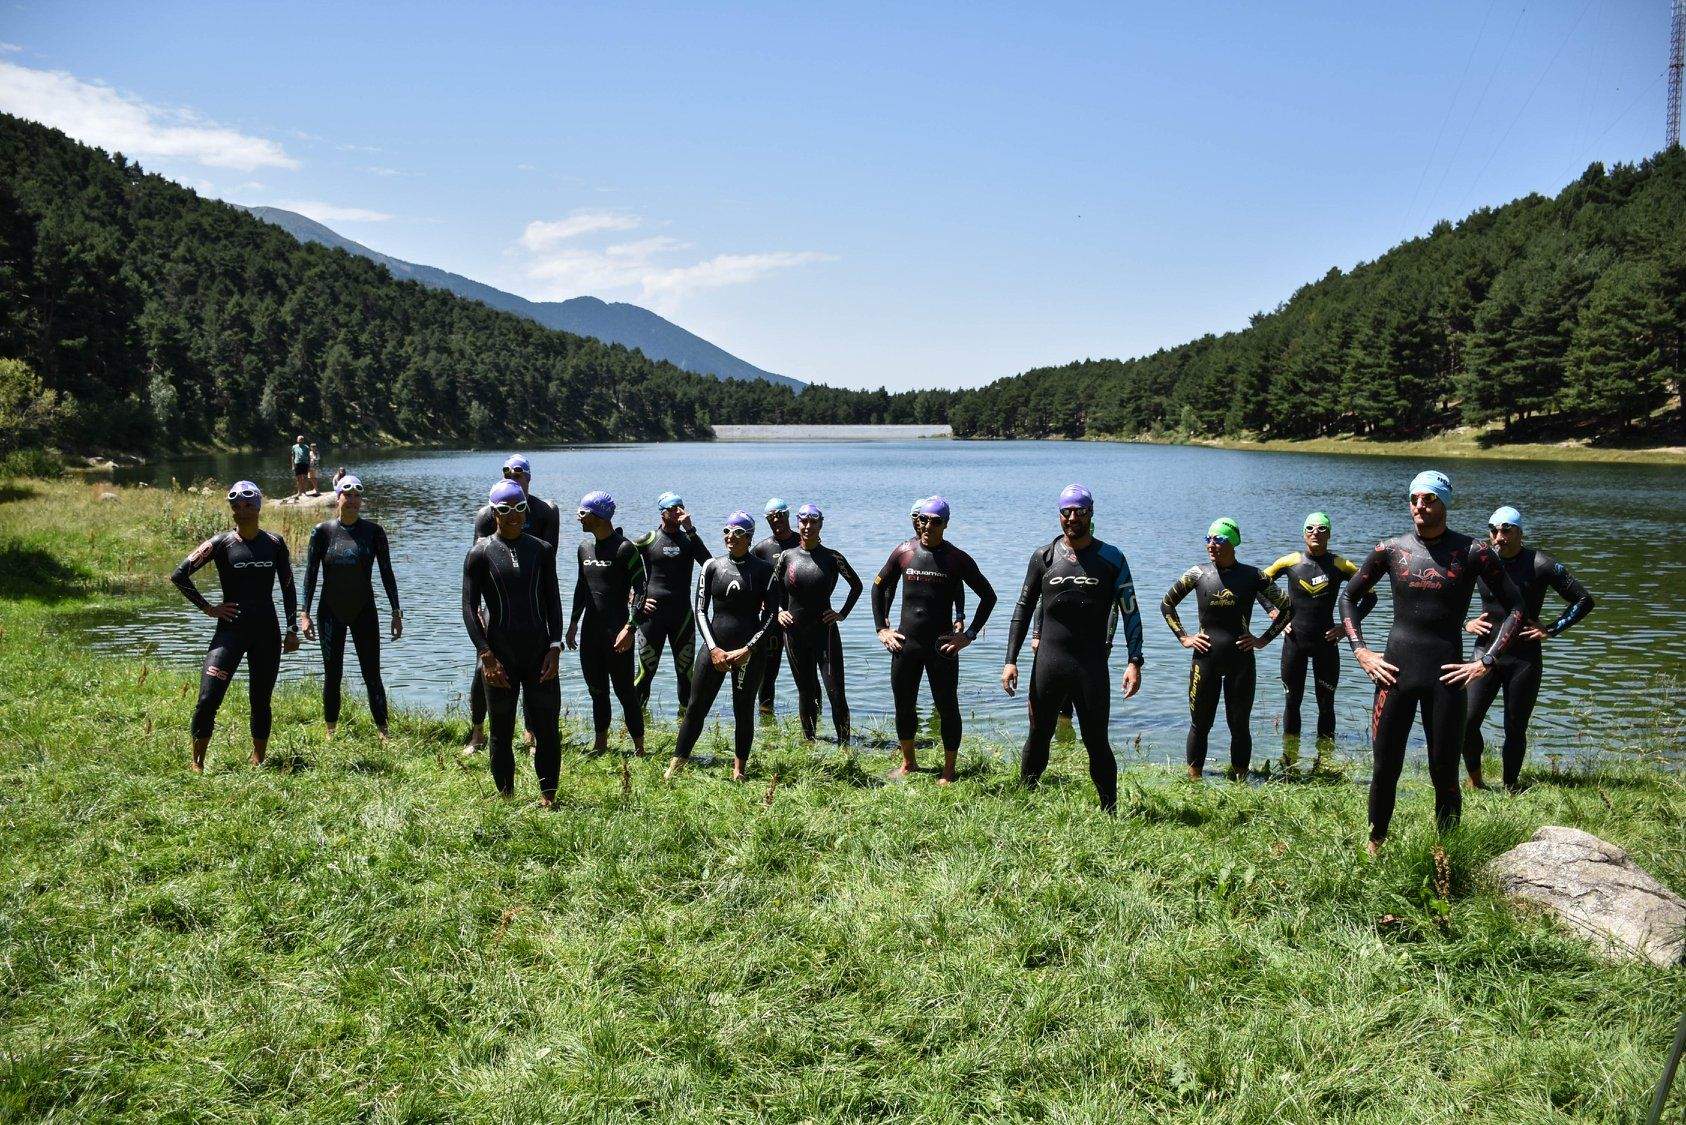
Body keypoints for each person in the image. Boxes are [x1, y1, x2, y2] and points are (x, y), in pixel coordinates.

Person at [1339, 470, 1524, 854]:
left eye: (1429, 499)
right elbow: (1348, 597)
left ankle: (1448, 852)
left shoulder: (1474, 551)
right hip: (1394, 675)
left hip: (1448, 679)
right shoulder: (1390, 549)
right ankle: (1376, 843)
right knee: (1385, 769)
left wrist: (1486, 661)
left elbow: (1517, 607)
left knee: (1445, 772)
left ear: (1444, 503)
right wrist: (1362, 651)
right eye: (1415, 499)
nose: (1420, 506)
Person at [1000, 484, 1144, 812]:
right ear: (1059, 514)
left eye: (1080, 511)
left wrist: (1134, 660)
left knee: (1096, 742)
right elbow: (1022, 609)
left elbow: (1131, 611)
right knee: (1038, 736)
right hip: (1049, 663)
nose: (1072, 517)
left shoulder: (1111, 558)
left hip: (1090, 666)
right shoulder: (1043, 557)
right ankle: (1025, 800)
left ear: (1091, 514)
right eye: (1067, 511)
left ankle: (1110, 809)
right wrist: (1010, 660)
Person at [1461, 506, 1595, 791]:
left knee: (1514, 727)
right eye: (1494, 531)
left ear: (1520, 532)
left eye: (1506, 530)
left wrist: (1551, 628)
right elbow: (1446, 596)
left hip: (1524, 657)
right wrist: (1465, 622)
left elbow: (1583, 600)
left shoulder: (1541, 564)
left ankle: (1511, 788)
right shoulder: (1481, 560)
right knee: (1467, 721)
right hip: (1484, 651)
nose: (1499, 537)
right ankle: (1476, 782)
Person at [171, 481, 300, 771]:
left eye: (247, 506)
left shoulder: (276, 544)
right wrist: (208, 608)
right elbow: (179, 575)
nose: (241, 511)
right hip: (230, 631)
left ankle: (259, 759)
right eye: (236, 507)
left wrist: (292, 629)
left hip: (266, 631)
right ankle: (197, 763)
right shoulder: (220, 543)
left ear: (258, 507)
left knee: (260, 699)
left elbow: (289, 587)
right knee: (207, 698)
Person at [873, 496, 996, 783]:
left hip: (942, 647)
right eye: (924, 519)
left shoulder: (956, 558)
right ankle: (908, 763)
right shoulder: (903, 551)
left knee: (947, 706)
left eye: (935, 521)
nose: (928, 525)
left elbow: (988, 596)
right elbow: (878, 588)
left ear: (946, 524)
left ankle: (949, 770)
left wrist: (968, 635)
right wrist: (882, 628)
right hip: (906, 644)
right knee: (904, 704)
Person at [1161, 518, 1294, 780]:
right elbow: (1167, 604)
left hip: (1241, 661)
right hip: (1204, 658)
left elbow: (1288, 608)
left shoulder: (1253, 575)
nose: (1211, 544)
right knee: (1200, 725)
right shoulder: (1197, 574)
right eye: (1208, 539)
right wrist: (1184, 637)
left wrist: (1263, 639)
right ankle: (1194, 780)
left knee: (1239, 726)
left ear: (1233, 542)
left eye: (1218, 539)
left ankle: (1241, 779)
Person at [461, 480, 564, 804]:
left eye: (519, 508)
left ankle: (548, 797)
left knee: (547, 729)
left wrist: (555, 647)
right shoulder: (479, 553)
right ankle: (505, 799)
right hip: (500, 655)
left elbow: (553, 602)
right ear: (495, 513)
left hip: (538, 653)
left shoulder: (541, 550)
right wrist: (486, 656)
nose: (514, 516)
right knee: (502, 731)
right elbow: (468, 606)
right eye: (505, 510)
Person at [665, 511, 779, 781]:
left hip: (748, 652)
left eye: (738, 532)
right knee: (695, 708)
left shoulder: (764, 571)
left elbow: (772, 615)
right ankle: (676, 764)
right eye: (727, 531)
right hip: (714, 647)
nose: (730, 537)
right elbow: (700, 611)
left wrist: (748, 649)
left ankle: (739, 769)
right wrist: (714, 648)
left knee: (743, 709)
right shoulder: (712, 566)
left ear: (749, 537)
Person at [298, 475, 402, 740]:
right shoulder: (322, 532)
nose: (353, 501)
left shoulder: (374, 532)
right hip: (330, 611)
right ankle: (331, 731)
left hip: (364, 610)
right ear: (337, 497)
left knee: (372, 674)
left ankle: (383, 731)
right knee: (333, 673)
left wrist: (396, 611)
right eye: (348, 495)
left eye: (357, 496)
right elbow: (310, 574)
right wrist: (304, 613)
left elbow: (387, 573)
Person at [1261, 512, 1374, 745]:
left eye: (1322, 528)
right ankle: (1289, 758)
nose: (1316, 532)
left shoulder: (1341, 565)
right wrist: (1275, 615)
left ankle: (1325, 759)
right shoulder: (1290, 561)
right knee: (1292, 702)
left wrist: (1345, 628)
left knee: (1326, 704)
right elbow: (1257, 585)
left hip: (1326, 643)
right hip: (1295, 642)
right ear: (1304, 534)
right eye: (1310, 528)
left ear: (1329, 534)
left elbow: (1370, 596)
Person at [771, 503, 862, 746]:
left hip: (825, 633)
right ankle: (809, 743)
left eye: (813, 522)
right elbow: (773, 590)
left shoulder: (832, 557)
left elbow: (857, 586)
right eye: (804, 522)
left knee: (835, 693)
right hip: (794, 633)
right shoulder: (787, 557)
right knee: (806, 692)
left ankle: (844, 747)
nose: (808, 527)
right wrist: (779, 611)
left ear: (821, 524)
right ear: (798, 524)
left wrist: (841, 613)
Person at [567, 490, 649, 755]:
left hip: (618, 632)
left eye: (582, 513)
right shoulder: (584, 548)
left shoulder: (625, 549)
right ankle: (600, 744)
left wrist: (630, 627)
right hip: (591, 633)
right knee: (597, 691)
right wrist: (572, 624)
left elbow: (643, 589)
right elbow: (582, 587)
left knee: (625, 691)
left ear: (598, 515)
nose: (578, 517)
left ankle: (639, 748)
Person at [633, 491, 711, 718]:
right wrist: (634, 598)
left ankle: (684, 724)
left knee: (686, 673)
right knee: (644, 672)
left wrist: (691, 529)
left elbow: (708, 563)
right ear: (662, 513)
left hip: (682, 615)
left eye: (681, 507)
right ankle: (637, 721)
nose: (678, 511)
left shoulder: (689, 540)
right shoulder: (648, 539)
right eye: (673, 508)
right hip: (651, 616)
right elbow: (623, 565)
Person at [752, 498, 801, 716]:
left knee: (804, 670)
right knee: (767, 671)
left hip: (798, 617)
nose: (777, 520)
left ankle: (813, 715)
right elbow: (750, 582)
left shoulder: (802, 542)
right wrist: (771, 608)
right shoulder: (762, 548)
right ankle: (765, 713)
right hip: (771, 618)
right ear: (767, 520)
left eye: (780, 515)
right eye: (771, 517)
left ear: (788, 515)